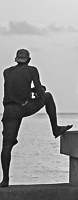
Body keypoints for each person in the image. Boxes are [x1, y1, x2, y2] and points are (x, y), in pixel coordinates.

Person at [1, 49, 72, 187]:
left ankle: (5, 179)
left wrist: (31, 90)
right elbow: (40, 93)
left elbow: (17, 89)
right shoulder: (32, 70)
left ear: (16, 60)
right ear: (28, 60)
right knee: (48, 97)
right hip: (23, 107)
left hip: (9, 111)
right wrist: (39, 90)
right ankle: (55, 129)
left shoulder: (7, 72)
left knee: (6, 146)